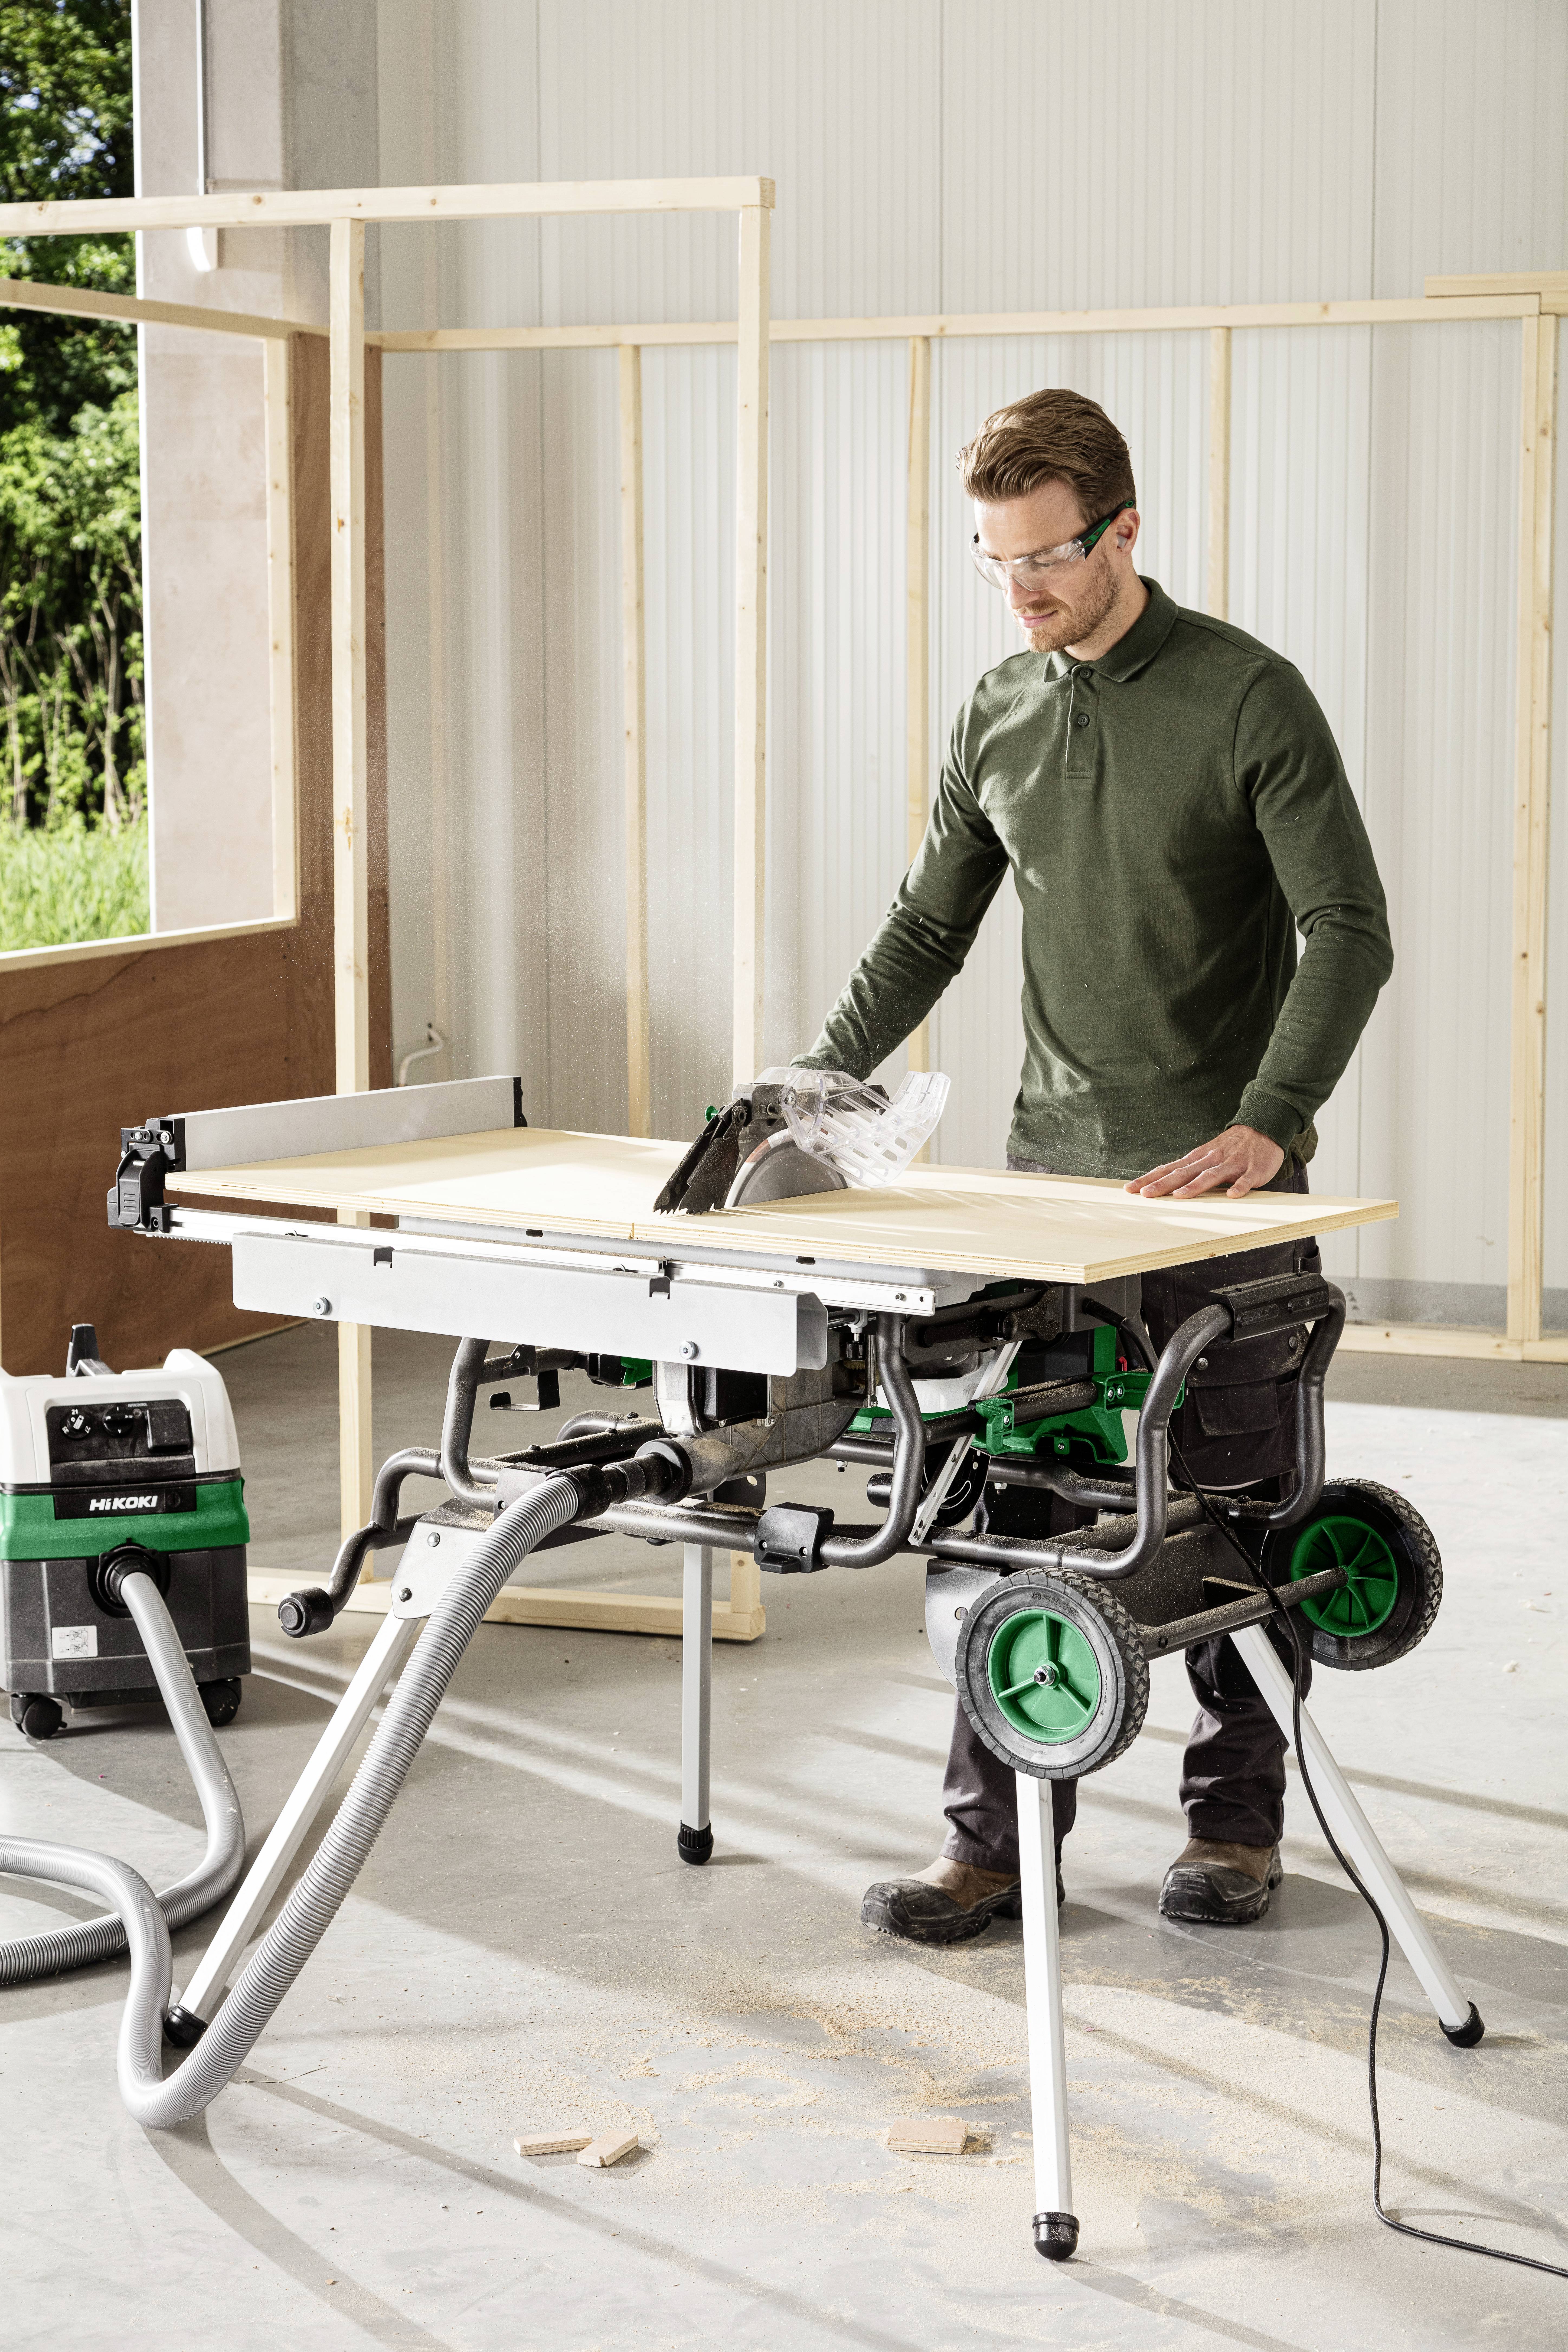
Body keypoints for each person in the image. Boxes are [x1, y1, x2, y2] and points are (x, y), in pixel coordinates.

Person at [792, 387, 1393, 1943]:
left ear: (1126, 529)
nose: (1025, 591)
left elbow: (1348, 926)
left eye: (1049, 556)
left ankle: (1237, 1832)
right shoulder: (999, 708)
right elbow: (930, 925)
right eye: (997, 562)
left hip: (1228, 1201)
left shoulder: (1249, 698)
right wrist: (809, 1087)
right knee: (1018, 1514)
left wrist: (1271, 1115)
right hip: (1052, 1195)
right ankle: (989, 1850)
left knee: (1238, 1524)